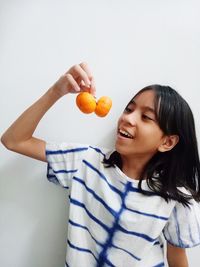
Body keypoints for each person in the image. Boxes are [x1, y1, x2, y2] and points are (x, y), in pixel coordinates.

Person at [1, 62, 200, 267]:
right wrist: (56, 91)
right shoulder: (85, 161)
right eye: (129, 109)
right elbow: (14, 140)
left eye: (146, 117)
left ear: (167, 142)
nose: (127, 118)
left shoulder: (175, 196)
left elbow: (177, 259)